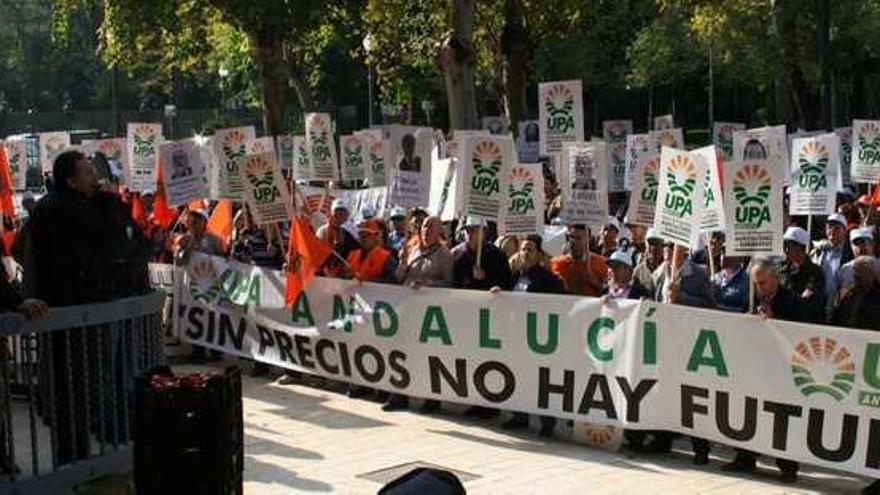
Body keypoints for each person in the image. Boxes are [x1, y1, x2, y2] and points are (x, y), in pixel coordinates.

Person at [25, 150, 149, 466]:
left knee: (82, 387)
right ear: (70, 179)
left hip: (80, 310)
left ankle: (78, 456)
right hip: (70, 312)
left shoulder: (59, 205)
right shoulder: (63, 209)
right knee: (75, 389)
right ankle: (74, 461)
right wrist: (111, 207)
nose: (95, 175)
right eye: (86, 172)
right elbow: (113, 243)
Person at [722, 258, 802, 483]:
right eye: (755, 283)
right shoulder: (752, 298)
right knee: (748, 410)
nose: (759, 289)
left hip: (782, 369)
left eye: (763, 283)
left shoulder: (793, 301)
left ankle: (788, 467)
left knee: (781, 418)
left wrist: (776, 320)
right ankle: (745, 457)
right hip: (755, 366)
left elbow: (803, 330)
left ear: (776, 278)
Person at [648, 243, 713, 463]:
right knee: (665, 392)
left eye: (671, 244)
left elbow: (709, 307)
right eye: (664, 244)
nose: (666, 248)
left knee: (691, 396)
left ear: (684, 247)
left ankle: (701, 448)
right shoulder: (660, 273)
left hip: (690, 343)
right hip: (665, 341)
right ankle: (662, 440)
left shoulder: (699, 274)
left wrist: (681, 297)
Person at [384, 216, 453, 412]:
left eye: (431, 227)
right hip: (408, 310)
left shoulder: (445, 255)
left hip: (430, 315)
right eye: (424, 226)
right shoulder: (412, 250)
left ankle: (431, 399)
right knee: (402, 352)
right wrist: (400, 270)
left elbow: (449, 283)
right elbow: (401, 278)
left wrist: (428, 285)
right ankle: (399, 395)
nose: (426, 230)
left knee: (427, 356)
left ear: (439, 231)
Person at [501, 235, 564, 435]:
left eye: (530, 250)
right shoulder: (515, 276)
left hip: (540, 340)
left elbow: (561, 302)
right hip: (518, 338)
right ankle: (520, 416)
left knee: (543, 381)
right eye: (523, 249)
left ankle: (547, 423)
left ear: (538, 254)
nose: (525, 253)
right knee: (519, 377)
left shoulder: (548, 280)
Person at [778, 226, 826, 323]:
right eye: (784, 245)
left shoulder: (815, 273)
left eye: (789, 246)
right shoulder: (781, 269)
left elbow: (808, 303)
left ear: (800, 248)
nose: (785, 250)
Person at [452, 217, 513, 292]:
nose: (469, 234)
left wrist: (486, 278)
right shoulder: (456, 253)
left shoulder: (496, 255)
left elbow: (506, 282)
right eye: (467, 231)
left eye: (473, 231)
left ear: (484, 233)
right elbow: (451, 282)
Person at [550, 225, 607, 297]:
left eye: (578, 238)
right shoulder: (557, 263)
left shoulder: (601, 263)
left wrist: (594, 282)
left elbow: (610, 292)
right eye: (571, 237)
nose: (573, 241)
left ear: (588, 239)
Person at [812, 213, 854, 306]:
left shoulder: (850, 253)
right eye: (829, 227)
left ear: (845, 231)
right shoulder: (818, 250)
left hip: (838, 305)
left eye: (837, 228)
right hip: (817, 302)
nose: (832, 231)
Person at [831, 256, 880, 330]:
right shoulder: (850, 294)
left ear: (871, 273)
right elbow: (837, 317)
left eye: (859, 270)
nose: (855, 275)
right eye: (854, 270)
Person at [317, 199, 360, 278]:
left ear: (346, 215)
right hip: (324, 274)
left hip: (340, 275)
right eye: (338, 212)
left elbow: (357, 248)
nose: (340, 215)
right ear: (332, 213)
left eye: (342, 212)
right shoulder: (322, 231)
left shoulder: (346, 232)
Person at [346, 219, 398, 283]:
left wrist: (367, 281)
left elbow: (393, 281)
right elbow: (344, 276)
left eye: (368, 234)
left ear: (376, 237)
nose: (364, 238)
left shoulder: (386, 257)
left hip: (375, 292)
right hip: (352, 291)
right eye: (361, 234)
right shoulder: (352, 255)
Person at [835, 227, 875, 299]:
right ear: (851, 247)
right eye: (856, 243)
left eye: (864, 242)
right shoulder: (845, 269)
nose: (861, 247)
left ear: (872, 244)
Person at [633, 228, 664, 294]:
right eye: (650, 243)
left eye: (657, 244)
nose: (653, 248)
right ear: (645, 245)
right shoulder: (638, 271)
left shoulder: (668, 270)